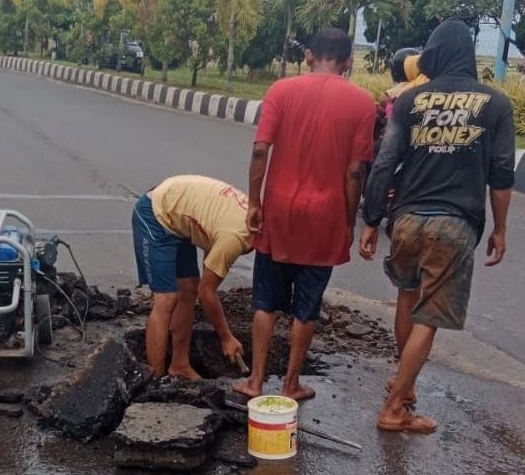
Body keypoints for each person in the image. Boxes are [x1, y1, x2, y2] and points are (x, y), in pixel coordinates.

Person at [360, 19, 515, 433]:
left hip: (406, 220)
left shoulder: (412, 101)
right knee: (428, 318)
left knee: (406, 300)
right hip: (454, 224)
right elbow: (501, 174)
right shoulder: (496, 105)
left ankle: (405, 387)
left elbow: (385, 162)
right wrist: (501, 228)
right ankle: (395, 408)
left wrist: (372, 219)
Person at [233, 28, 376, 401]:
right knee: (306, 307)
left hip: (279, 210)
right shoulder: (362, 103)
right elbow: (355, 172)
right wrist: (347, 221)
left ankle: (256, 381)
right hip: (325, 216)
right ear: (348, 62)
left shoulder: (281, 90)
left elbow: (261, 149)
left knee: (265, 301)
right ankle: (291, 383)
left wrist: (254, 201)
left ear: (310, 56)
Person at [132, 175, 252, 381]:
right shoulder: (235, 237)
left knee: (188, 289)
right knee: (166, 298)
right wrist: (226, 337)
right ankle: (155, 379)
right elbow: (208, 292)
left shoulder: (250, 221)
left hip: (180, 217)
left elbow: (207, 270)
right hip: (155, 213)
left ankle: (179, 365)